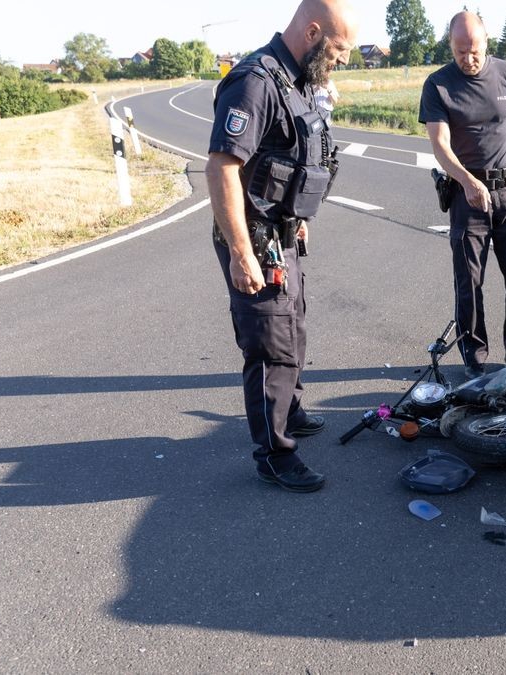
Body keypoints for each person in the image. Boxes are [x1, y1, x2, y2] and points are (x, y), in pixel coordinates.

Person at [205, 0, 357, 492]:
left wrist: (298, 217)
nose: (342, 61)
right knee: (270, 345)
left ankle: (289, 409)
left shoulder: (296, 81)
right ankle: (275, 453)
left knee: (292, 328)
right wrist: (241, 251)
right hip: (254, 239)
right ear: (312, 32)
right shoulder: (255, 82)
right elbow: (223, 167)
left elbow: (291, 157)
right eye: (337, 50)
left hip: (282, 231)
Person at [419, 11, 506, 379]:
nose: (468, 59)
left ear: (486, 43)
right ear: (451, 46)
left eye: (474, 51)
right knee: (470, 283)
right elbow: (441, 145)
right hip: (468, 196)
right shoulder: (438, 85)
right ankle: (475, 361)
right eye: (460, 52)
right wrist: (467, 182)